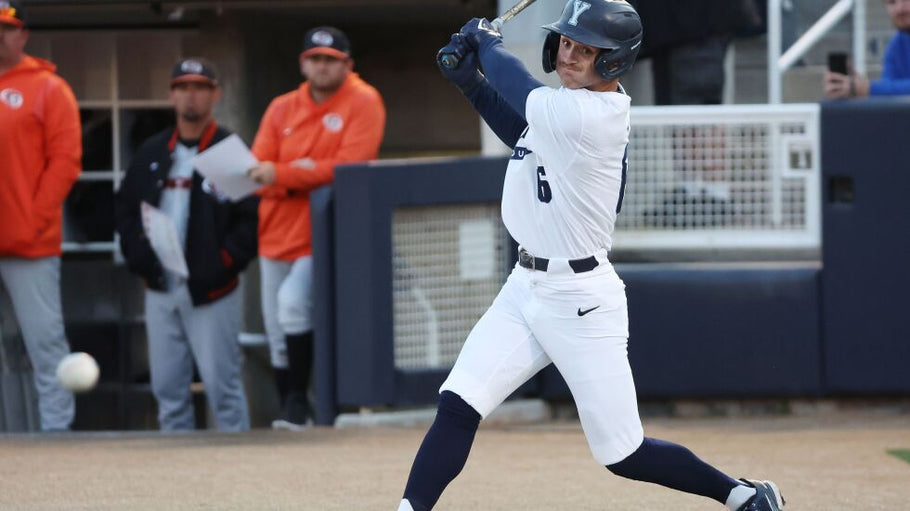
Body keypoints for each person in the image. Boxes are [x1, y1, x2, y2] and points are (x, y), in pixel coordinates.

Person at [397, 2, 784, 510]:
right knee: (458, 404)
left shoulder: (596, 116)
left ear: (616, 61)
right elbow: (522, 131)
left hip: (581, 300)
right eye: (567, 43)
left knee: (623, 453)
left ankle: (741, 496)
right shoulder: (563, 109)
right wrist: (471, 83)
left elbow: (529, 102)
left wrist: (487, 43)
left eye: (587, 50)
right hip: (525, 287)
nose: (571, 55)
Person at [248, 26, 385, 430]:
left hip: (326, 234)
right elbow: (257, 167)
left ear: (347, 63)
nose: (322, 66)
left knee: (293, 307)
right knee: (276, 324)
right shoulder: (281, 107)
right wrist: (298, 174)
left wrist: (282, 175)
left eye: (330, 59)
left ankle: (300, 403)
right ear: (303, 63)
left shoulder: (363, 100)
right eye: (315, 59)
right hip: (275, 231)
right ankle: (291, 410)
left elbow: (349, 168)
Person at [114, 58, 258, 432]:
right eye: (182, 87)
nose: (190, 95)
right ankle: (176, 480)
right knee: (167, 390)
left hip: (212, 291)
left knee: (223, 390)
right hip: (161, 286)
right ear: (170, 95)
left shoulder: (228, 149)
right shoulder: (153, 149)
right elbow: (126, 210)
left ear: (215, 94)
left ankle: (243, 477)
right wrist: (141, 259)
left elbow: (251, 221)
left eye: (199, 87)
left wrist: (222, 263)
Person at [0, 0, 81, 432]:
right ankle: (10, 437)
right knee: (5, 355)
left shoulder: (49, 88)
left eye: (6, 29)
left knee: (45, 348)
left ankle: (56, 438)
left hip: (29, 246)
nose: (0, 36)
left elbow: (66, 161)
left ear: (22, 34)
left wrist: (33, 219)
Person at [825, 0, 910, 99]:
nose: (899, 9)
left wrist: (870, 89)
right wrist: (856, 87)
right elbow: (890, 96)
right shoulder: (896, 46)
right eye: (891, 2)